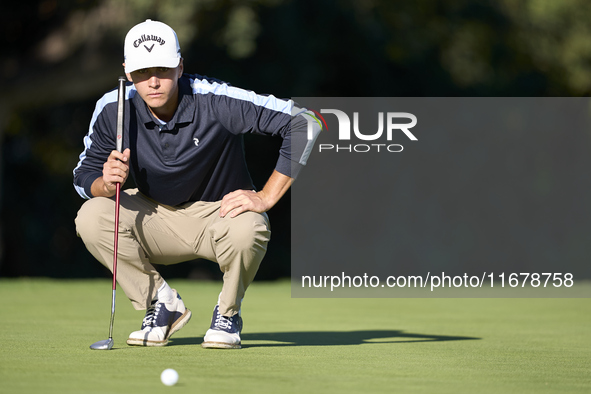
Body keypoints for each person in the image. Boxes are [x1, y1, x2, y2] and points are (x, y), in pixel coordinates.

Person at [73, 19, 321, 349]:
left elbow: (305, 122)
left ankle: (227, 315)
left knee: (251, 228)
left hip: (222, 216)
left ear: (180, 66)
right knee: (90, 216)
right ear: (128, 72)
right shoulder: (113, 108)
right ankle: (161, 305)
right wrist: (105, 183)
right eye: (143, 72)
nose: (154, 81)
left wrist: (266, 195)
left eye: (163, 68)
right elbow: (82, 176)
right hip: (154, 218)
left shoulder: (215, 99)